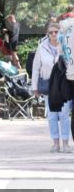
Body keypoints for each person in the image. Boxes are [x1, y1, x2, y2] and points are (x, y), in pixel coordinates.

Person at [32, 22, 71, 153]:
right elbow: (36, 68)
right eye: (51, 32)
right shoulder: (41, 47)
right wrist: (34, 87)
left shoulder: (66, 45)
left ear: (60, 33)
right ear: (47, 34)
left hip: (64, 84)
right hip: (48, 84)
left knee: (64, 114)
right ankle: (55, 143)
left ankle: (65, 143)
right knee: (52, 115)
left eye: (56, 32)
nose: (54, 34)